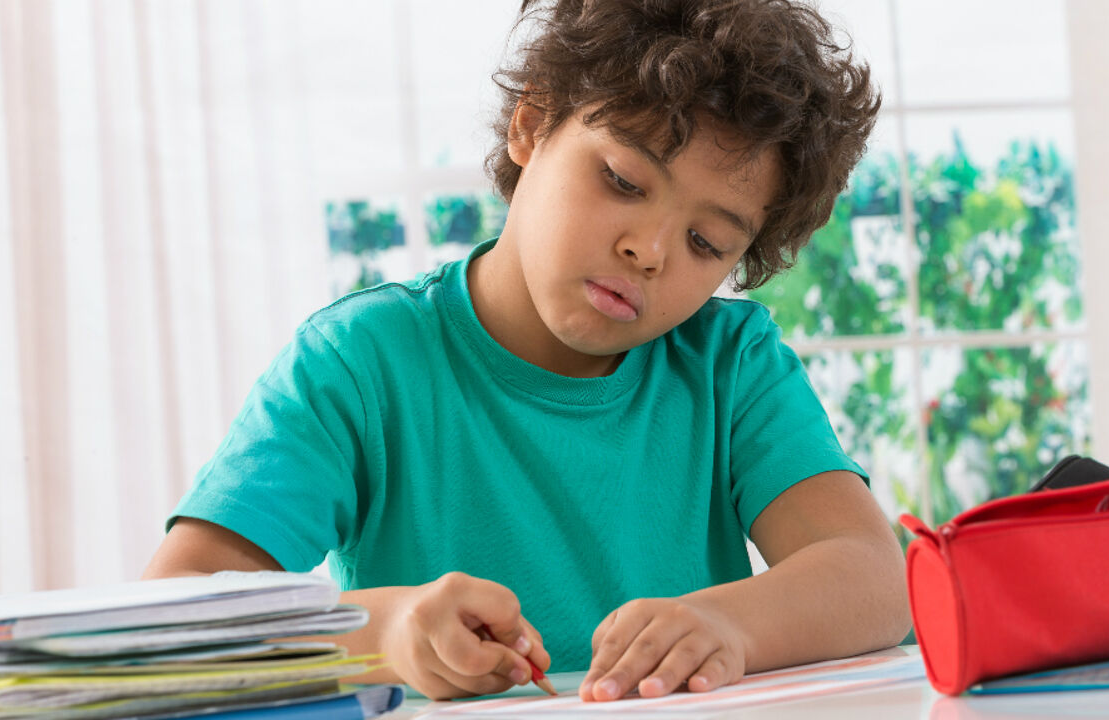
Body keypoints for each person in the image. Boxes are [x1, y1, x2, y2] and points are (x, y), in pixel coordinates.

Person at [144, 0, 909, 702]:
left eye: (705, 242)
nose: (648, 250)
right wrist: (384, 633)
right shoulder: (357, 363)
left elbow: (875, 578)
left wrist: (731, 625)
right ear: (531, 124)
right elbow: (171, 616)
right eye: (621, 179)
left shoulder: (728, 364)